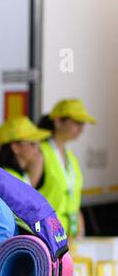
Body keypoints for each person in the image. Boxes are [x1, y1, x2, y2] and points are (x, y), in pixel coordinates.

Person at [37, 99, 96, 240]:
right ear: (58, 121)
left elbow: (74, 199)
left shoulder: (71, 158)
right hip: (47, 237)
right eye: (77, 122)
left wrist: (80, 226)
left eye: (83, 124)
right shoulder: (40, 154)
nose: (81, 128)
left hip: (69, 237)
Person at [0, 116, 49, 187]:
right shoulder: (9, 178)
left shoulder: (14, 175)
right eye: (32, 143)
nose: (38, 148)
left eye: (38, 143)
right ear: (15, 147)